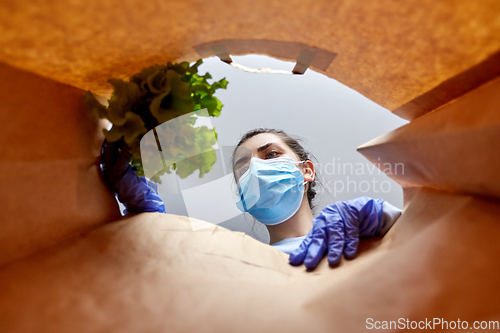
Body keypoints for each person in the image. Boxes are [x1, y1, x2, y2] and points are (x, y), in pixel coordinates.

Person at [232, 128, 402, 269]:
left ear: (307, 171)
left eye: (271, 154)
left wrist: (386, 217)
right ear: (243, 195)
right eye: (243, 170)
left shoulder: (365, 230)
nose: (255, 168)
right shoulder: (247, 268)